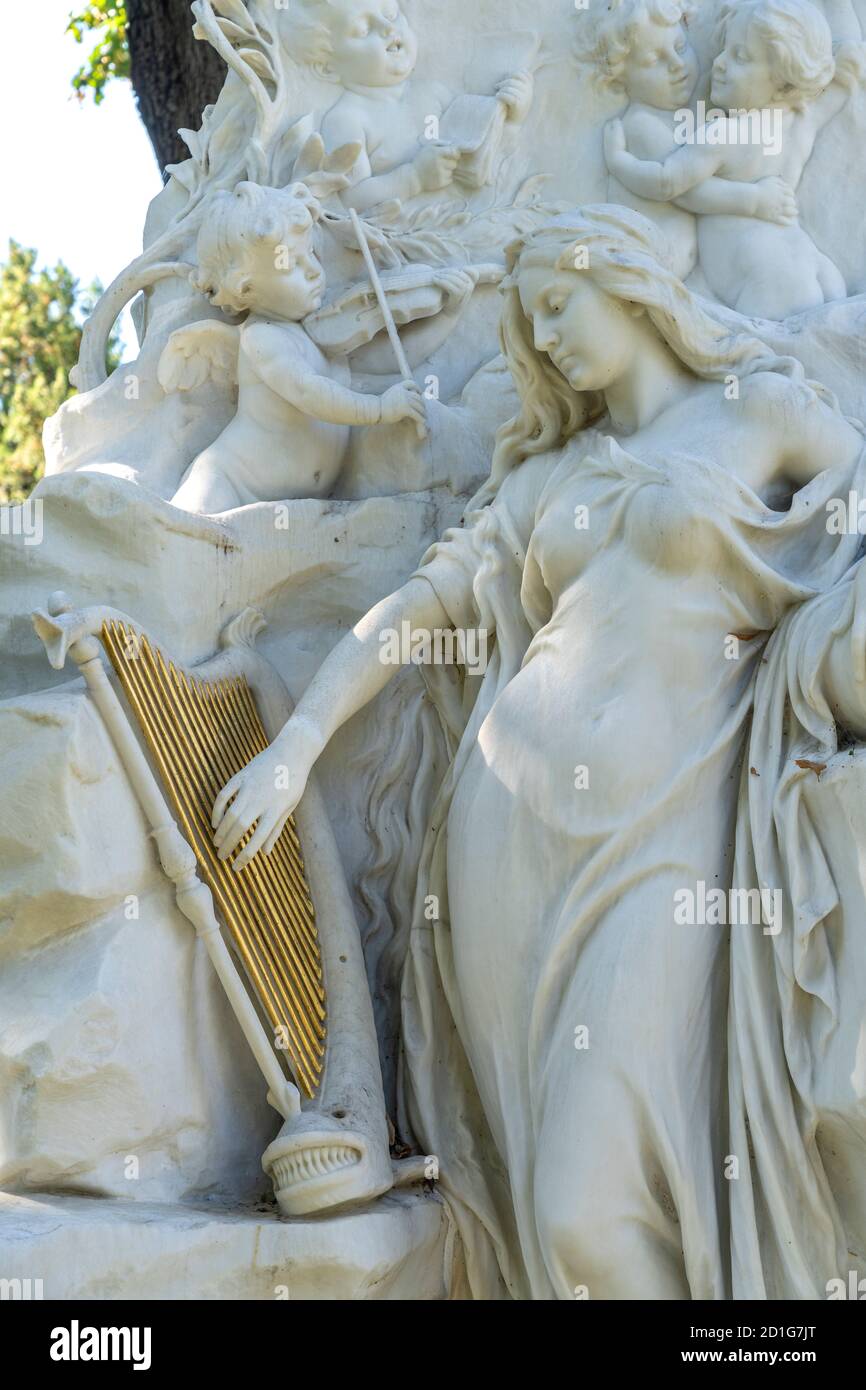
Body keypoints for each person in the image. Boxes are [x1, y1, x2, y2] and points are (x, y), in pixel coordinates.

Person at [211, 206, 866, 1298]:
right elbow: (413, 611)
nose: (546, 340)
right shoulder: (542, 480)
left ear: (626, 282)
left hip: (675, 823)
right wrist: (296, 745)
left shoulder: (765, 414)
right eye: (526, 327)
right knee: (547, 1224)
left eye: (557, 305)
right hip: (507, 843)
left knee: (583, 1210)